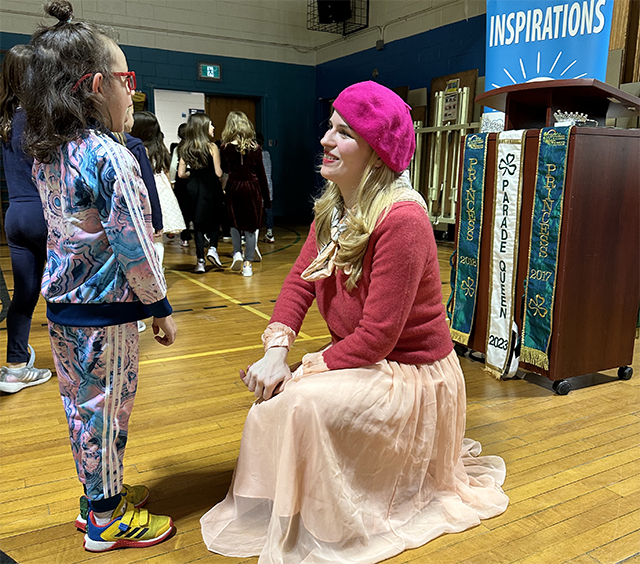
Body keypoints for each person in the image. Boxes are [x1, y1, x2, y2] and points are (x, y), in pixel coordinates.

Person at [201, 81, 509, 563]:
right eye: (330, 127)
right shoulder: (335, 210)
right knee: (273, 405)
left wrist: (303, 367)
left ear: (376, 152)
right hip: (368, 360)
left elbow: (377, 338)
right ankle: (316, 503)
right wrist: (275, 351)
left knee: (300, 404)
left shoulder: (403, 219)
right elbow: (300, 282)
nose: (325, 139)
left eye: (343, 132)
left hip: (409, 373)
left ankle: (338, 515)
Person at [22, 0, 177, 552]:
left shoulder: (49, 156)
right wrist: (158, 304)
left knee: (81, 407)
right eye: (125, 78)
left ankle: (95, 497)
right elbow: (135, 241)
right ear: (93, 86)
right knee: (109, 409)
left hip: (63, 312)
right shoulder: (111, 156)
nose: (131, 92)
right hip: (106, 313)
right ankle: (108, 521)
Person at [0, 44, 52, 394]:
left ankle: (15, 366)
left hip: (14, 216)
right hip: (44, 213)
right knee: (65, 291)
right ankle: (78, 362)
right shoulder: (41, 118)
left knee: (25, 293)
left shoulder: (3, 122)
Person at [130, 110, 186, 267]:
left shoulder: (137, 149)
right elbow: (167, 173)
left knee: (148, 235)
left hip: (146, 191)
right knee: (157, 237)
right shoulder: (160, 148)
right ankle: (158, 269)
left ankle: (152, 270)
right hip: (161, 190)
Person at [220, 111, 271, 277]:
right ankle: (248, 264)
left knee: (235, 223)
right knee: (250, 227)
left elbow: (224, 172)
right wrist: (267, 198)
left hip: (233, 187)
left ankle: (236, 253)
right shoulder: (255, 149)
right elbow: (262, 175)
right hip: (252, 188)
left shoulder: (225, 148)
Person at [177, 113, 224, 273]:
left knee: (197, 225)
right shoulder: (212, 147)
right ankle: (212, 248)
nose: (213, 127)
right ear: (203, 127)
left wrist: (194, 173)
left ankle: (200, 261)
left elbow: (181, 174)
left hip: (192, 189)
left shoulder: (185, 147)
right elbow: (218, 173)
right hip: (210, 188)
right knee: (214, 220)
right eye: (211, 124)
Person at [169, 122, 191, 247]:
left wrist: (172, 181)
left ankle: (185, 237)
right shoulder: (195, 146)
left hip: (181, 182)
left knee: (183, 210)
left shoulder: (178, 148)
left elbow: (173, 166)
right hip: (192, 179)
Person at [256, 133, 275, 243]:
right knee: (268, 210)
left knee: (257, 211)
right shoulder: (267, 154)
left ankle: (252, 234)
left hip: (259, 187)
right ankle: (269, 232)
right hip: (269, 186)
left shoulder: (256, 155)